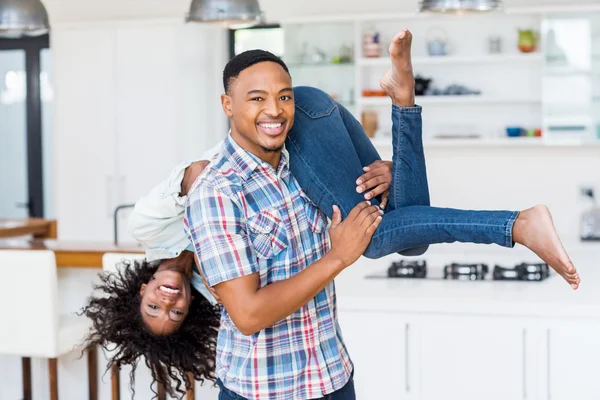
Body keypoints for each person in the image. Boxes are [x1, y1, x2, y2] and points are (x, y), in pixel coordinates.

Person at [85, 30, 580, 398]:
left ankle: (515, 224)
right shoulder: (219, 196)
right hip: (308, 383)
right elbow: (250, 314)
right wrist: (383, 184)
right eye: (256, 99)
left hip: (315, 113)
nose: (273, 108)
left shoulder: (207, 188)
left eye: (278, 95)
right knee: (405, 237)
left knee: (384, 235)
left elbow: (164, 207)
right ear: (227, 106)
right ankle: (403, 100)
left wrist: (344, 244)